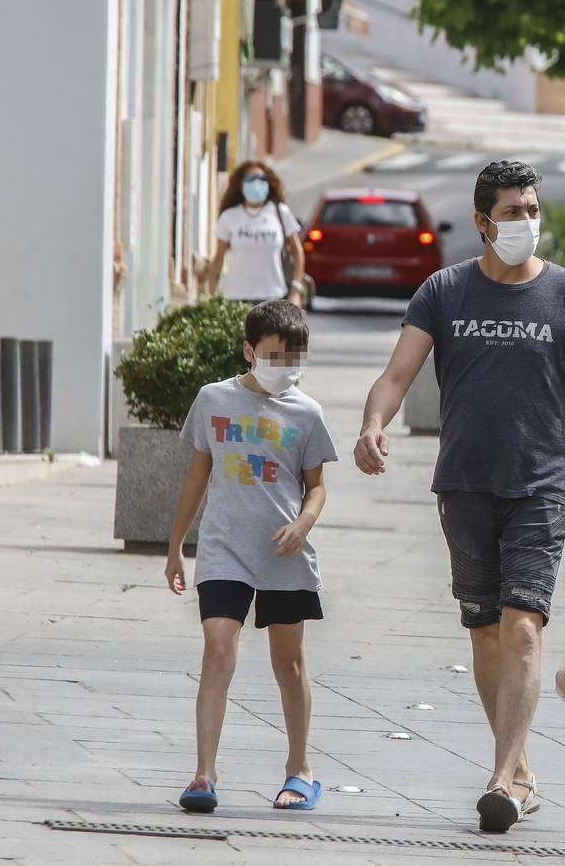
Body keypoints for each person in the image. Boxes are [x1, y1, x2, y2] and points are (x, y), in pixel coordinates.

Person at [353, 161, 565, 833]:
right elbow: (397, 374)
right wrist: (373, 425)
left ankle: (501, 781)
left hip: (540, 487)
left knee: (521, 626)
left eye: (531, 209)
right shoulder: (443, 291)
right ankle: (519, 770)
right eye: (512, 211)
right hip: (463, 485)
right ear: (482, 222)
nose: (525, 222)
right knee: (483, 631)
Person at [165, 300, 338, 814]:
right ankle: (203, 774)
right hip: (224, 549)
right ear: (250, 351)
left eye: (293, 358)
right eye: (273, 355)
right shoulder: (213, 400)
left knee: (288, 663)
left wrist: (303, 524)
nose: (283, 366)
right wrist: (177, 545)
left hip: (284, 553)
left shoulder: (307, 413)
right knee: (218, 648)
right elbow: (197, 475)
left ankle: (300, 770)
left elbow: (317, 488)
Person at [205, 161, 311, 306]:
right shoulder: (229, 217)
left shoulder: (280, 212)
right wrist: (210, 296)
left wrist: (295, 291)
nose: (256, 184)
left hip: (275, 296)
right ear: (241, 184)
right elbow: (218, 258)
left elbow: (297, 252)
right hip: (237, 299)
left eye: (261, 180)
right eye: (250, 179)